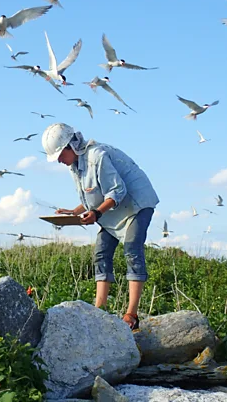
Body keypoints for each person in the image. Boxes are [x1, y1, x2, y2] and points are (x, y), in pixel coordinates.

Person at [42, 123, 159, 330]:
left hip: (136, 204)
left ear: (71, 146)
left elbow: (117, 191)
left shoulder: (97, 156)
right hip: (112, 210)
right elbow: (92, 197)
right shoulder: (74, 167)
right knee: (101, 252)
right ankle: (99, 309)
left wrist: (96, 213)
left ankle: (131, 314)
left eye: (60, 155)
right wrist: (74, 212)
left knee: (132, 248)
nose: (59, 160)